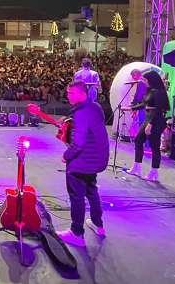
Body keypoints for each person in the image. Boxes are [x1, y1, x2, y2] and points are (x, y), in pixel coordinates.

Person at [57, 80, 110, 247]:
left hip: (82, 160)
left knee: (77, 196)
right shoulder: (95, 107)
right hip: (96, 158)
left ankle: (77, 233)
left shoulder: (81, 113)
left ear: (82, 93)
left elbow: (78, 143)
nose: (68, 96)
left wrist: (66, 155)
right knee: (91, 190)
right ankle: (98, 224)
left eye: (71, 93)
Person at [125, 70, 170, 182]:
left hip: (156, 120)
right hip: (149, 117)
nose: (144, 82)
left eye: (146, 80)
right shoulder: (150, 90)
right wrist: (131, 108)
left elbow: (158, 109)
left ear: (151, 80)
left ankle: (154, 172)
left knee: (154, 146)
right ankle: (137, 167)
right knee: (138, 140)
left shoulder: (159, 92)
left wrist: (150, 124)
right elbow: (144, 104)